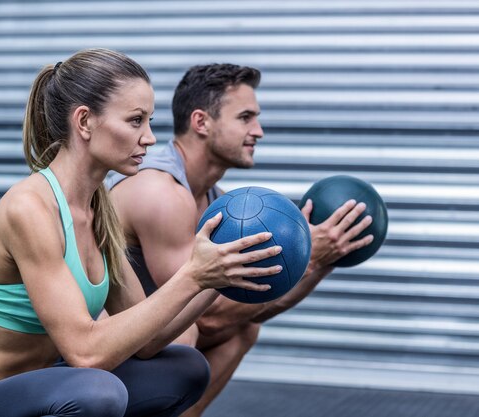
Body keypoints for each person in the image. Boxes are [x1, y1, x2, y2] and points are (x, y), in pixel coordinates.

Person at [0, 50, 284, 417]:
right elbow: (85, 353)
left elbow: (150, 340)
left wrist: (217, 275)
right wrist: (192, 274)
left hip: (45, 387)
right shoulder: (30, 208)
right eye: (136, 121)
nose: (150, 138)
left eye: (149, 121)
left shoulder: (97, 208)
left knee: (185, 368)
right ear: (84, 121)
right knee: (97, 392)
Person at [107, 63, 374, 416]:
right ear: (201, 122)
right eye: (245, 117)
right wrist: (311, 258)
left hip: (145, 343)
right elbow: (208, 320)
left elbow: (251, 306)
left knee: (244, 330)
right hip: (93, 348)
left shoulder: (215, 199)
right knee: (189, 338)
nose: (258, 131)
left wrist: (318, 262)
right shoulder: (162, 193)